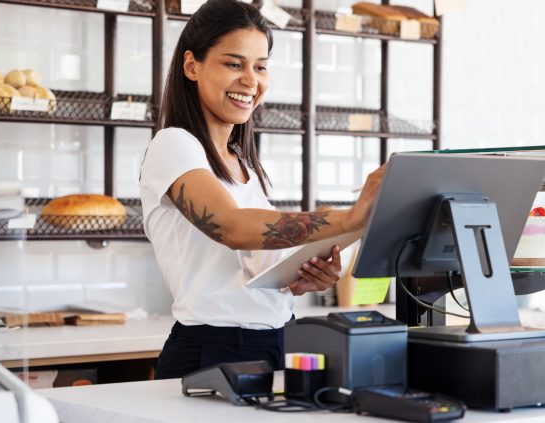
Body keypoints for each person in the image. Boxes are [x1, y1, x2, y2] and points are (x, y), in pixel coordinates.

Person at [140, 0, 384, 380]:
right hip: (210, 349)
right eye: (233, 64)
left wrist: (300, 274)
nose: (250, 81)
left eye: (260, 66)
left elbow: (248, 268)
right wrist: (348, 217)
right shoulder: (173, 145)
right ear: (192, 65)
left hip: (272, 341)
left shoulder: (242, 162)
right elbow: (233, 227)